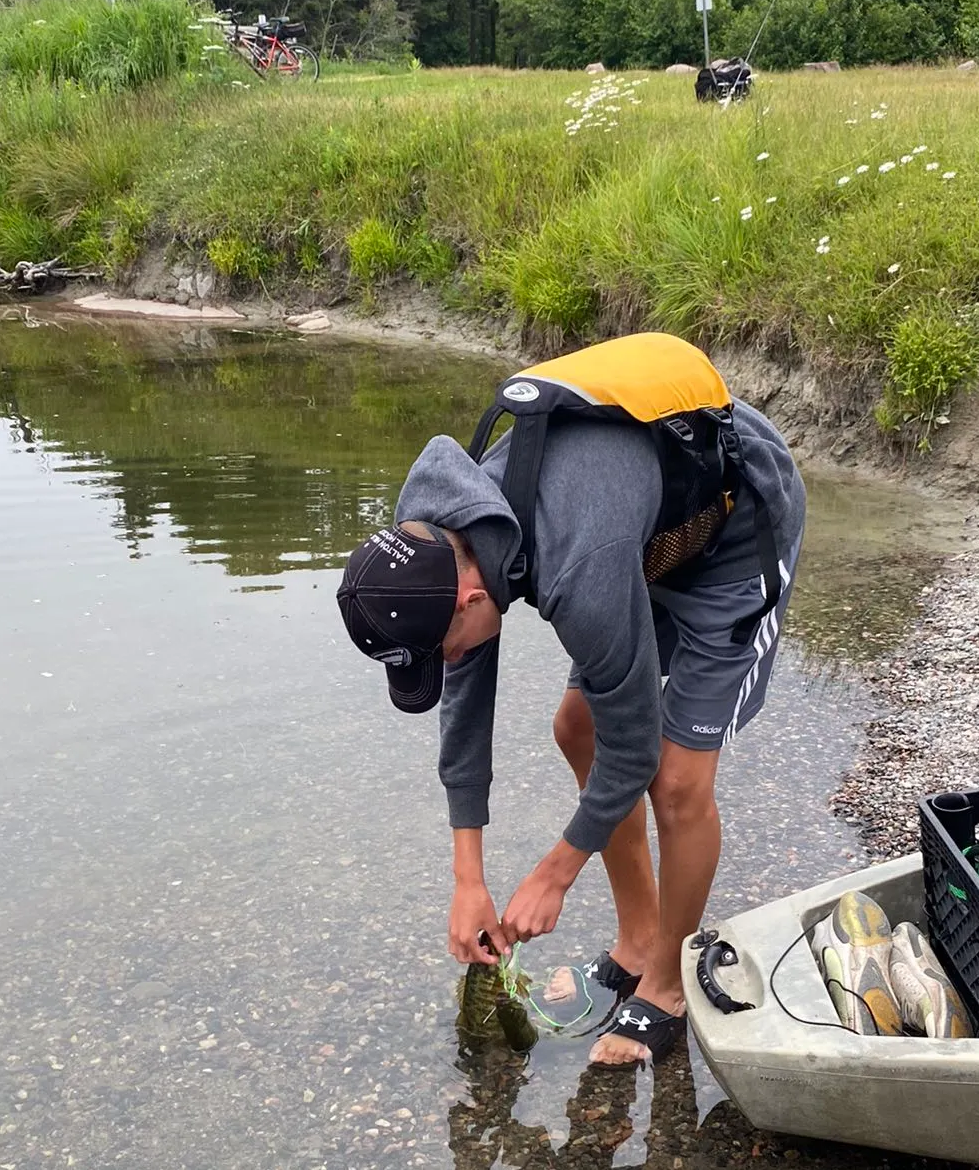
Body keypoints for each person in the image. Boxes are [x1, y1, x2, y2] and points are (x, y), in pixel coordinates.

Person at [336, 335, 805, 1067]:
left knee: (677, 783)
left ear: (466, 597)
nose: (452, 663)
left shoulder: (575, 565)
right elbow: (466, 704)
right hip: (644, 534)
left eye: (447, 648)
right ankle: (636, 939)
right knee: (576, 726)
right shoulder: (435, 538)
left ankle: (665, 989)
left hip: (734, 531)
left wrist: (554, 873)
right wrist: (469, 880)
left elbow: (637, 750)